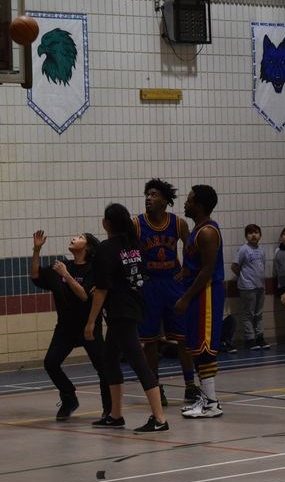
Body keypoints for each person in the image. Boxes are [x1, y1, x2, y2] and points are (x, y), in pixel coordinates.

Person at [85, 203, 169, 433]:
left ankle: (160, 418)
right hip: (134, 306)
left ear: (107, 223)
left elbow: (101, 289)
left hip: (121, 312)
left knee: (139, 363)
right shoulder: (135, 245)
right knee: (110, 359)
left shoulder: (106, 249)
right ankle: (115, 415)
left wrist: (91, 321)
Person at [31, 230, 111, 421]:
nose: (74, 238)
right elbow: (35, 276)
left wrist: (66, 275)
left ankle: (109, 409)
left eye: (80, 237)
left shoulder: (92, 269)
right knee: (50, 363)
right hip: (65, 328)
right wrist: (36, 250)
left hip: (89, 326)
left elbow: (84, 296)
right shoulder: (61, 266)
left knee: (103, 368)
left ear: (88, 247)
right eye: (74, 236)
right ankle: (69, 398)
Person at [132, 179, 197, 405]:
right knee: (150, 341)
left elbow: (191, 252)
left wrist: (185, 274)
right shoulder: (137, 224)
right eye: (147, 194)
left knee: (183, 338)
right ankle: (156, 387)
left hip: (173, 284)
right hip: (150, 286)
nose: (149, 198)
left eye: (154, 194)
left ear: (166, 201)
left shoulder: (179, 224)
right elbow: (130, 255)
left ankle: (190, 385)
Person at [174, 185, 225, 419]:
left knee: (205, 349)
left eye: (190, 200)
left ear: (201, 205)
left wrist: (185, 297)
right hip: (196, 293)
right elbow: (194, 267)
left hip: (206, 294)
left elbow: (207, 271)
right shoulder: (197, 230)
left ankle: (212, 403)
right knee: (195, 346)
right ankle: (205, 400)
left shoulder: (207, 232)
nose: (185, 203)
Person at [231, 224, 269, 350]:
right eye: (250, 233)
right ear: (246, 236)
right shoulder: (243, 249)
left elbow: (261, 268)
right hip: (247, 287)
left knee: (258, 314)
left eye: (256, 232)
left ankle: (260, 337)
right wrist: (243, 277)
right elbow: (234, 266)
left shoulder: (262, 250)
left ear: (260, 235)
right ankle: (250, 339)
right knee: (249, 314)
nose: (253, 235)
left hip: (260, 286)